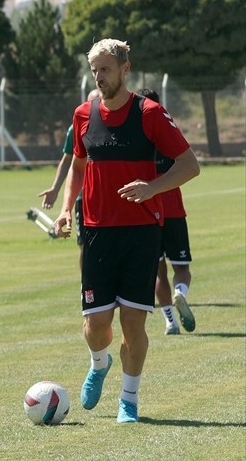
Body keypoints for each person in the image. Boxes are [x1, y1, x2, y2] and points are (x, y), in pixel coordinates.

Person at [53, 39, 199, 423]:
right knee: (95, 326)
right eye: (95, 70)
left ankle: (128, 402)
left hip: (141, 232)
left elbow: (189, 165)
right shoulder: (83, 113)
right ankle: (99, 364)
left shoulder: (150, 113)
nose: (100, 77)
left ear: (125, 69)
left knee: (133, 323)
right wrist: (67, 210)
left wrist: (153, 188)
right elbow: (80, 167)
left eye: (106, 69)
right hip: (98, 232)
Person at [137, 87, 196, 335]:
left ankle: (170, 321)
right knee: (181, 268)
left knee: (158, 271)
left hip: (148, 212)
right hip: (172, 209)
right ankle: (180, 292)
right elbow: (186, 163)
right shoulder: (167, 129)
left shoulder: (135, 136)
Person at [38, 89, 102, 267]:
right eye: (90, 104)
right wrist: (55, 189)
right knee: (85, 244)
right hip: (84, 197)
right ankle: (86, 288)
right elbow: (67, 160)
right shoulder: (76, 127)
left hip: (108, 194)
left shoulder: (115, 124)